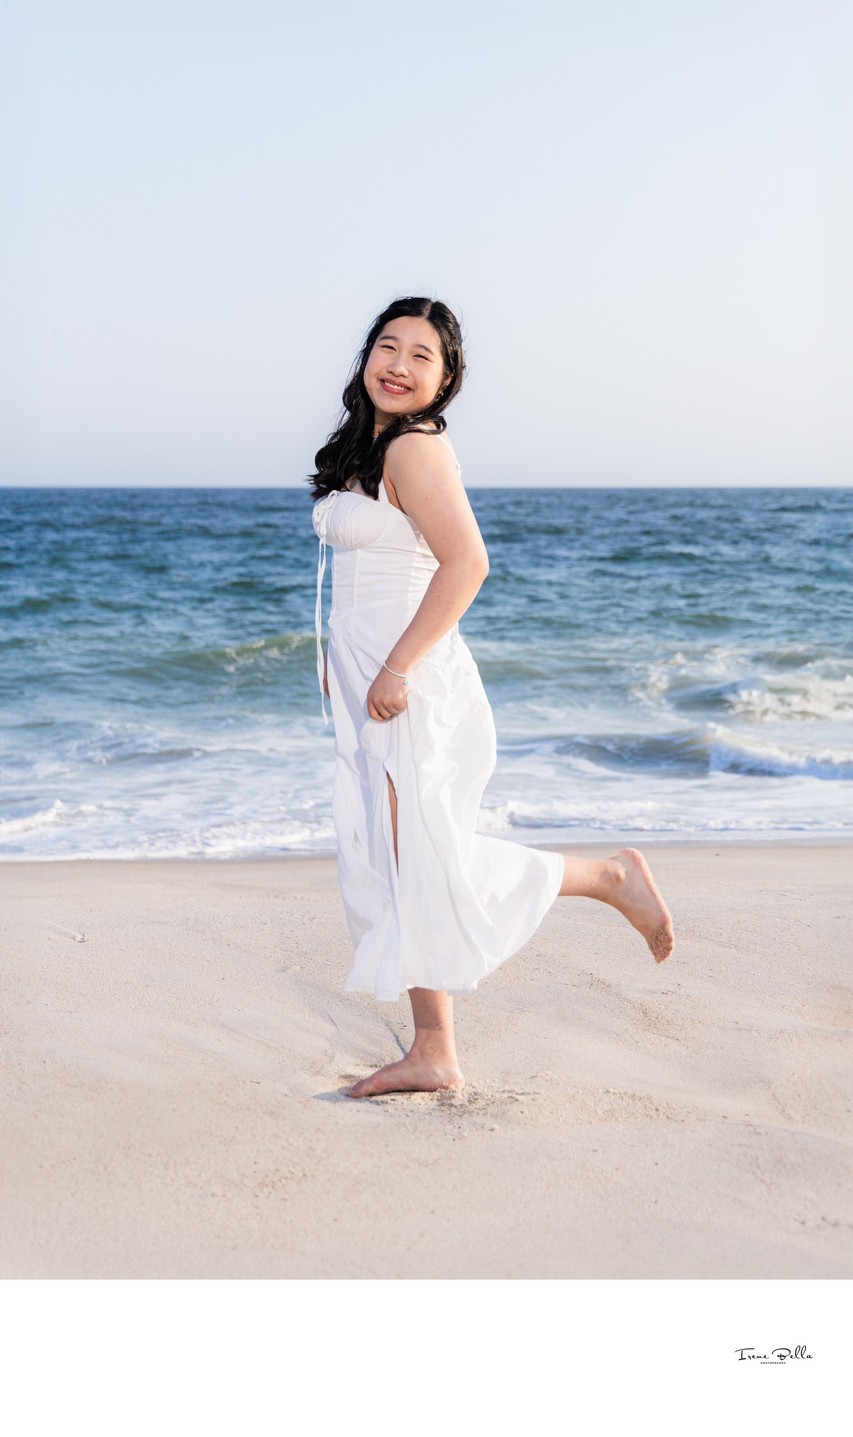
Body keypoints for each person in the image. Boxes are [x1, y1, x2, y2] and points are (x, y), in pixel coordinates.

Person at [310, 296, 674, 1099]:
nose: (398, 365)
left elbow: (466, 565)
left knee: (428, 859)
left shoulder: (413, 449)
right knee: (407, 863)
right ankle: (434, 1050)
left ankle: (608, 878)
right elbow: (373, 574)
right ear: (366, 354)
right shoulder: (370, 446)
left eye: (421, 356)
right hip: (376, 675)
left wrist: (396, 667)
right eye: (387, 346)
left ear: (446, 380)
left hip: (410, 683)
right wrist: (348, 659)